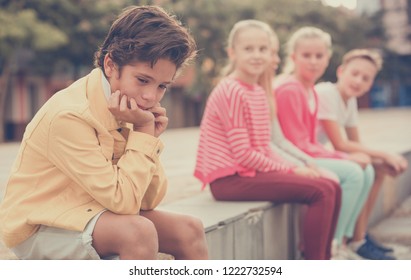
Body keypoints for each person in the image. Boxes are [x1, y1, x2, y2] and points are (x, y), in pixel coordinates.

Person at [0, 5, 208, 260]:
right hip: (40, 225)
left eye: (162, 86)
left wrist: (148, 138)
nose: (150, 96)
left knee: (190, 230)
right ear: (110, 64)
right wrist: (143, 132)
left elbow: (149, 199)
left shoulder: (128, 107)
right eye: (143, 80)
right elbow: (124, 202)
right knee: (138, 232)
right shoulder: (70, 115)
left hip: (93, 209)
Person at [194, 19, 341, 260]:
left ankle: (325, 258)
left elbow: (264, 147)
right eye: (248, 49)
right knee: (321, 192)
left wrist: (296, 167)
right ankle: (315, 262)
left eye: (262, 49)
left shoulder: (258, 91)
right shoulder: (231, 89)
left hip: (247, 173)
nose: (256, 56)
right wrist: (291, 170)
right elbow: (243, 154)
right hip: (229, 180)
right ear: (233, 53)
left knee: (331, 185)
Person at [274, 26, 394, 260]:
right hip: (291, 158)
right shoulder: (291, 89)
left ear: (328, 58)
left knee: (366, 170)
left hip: (305, 153)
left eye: (319, 56)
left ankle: (345, 241)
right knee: (354, 173)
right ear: (293, 58)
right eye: (306, 56)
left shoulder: (310, 91)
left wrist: (351, 157)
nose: (313, 61)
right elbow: (296, 144)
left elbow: (311, 142)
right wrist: (346, 157)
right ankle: (332, 245)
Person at [315, 48, 408, 256]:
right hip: (305, 154)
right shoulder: (326, 93)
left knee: (377, 169)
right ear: (341, 71)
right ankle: (345, 241)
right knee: (363, 167)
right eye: (354, 74)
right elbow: (340, 144)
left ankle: (360, 235)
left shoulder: (350, 101)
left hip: (318, 154)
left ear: (370, 84)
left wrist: (381, 161)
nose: (358, 81)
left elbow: (355, 143)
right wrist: (386, 154)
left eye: (365, 78)